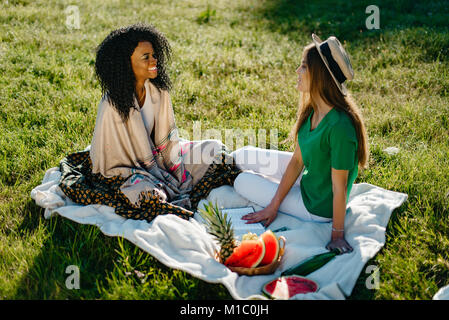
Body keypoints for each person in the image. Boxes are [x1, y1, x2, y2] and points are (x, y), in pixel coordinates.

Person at [58, 23, 241, 222]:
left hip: (160, 159)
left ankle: (169, 183)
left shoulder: (159, 91)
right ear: (126, 64)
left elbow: (167, 142)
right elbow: (112, 161)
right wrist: (151, 171)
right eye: (146, 57)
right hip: (124, 170)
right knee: (148, 195)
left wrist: (163, 166)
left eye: (154, 55)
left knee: (213, 151)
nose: (154, 60)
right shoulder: (112, 104)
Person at [234, 34, 369, 254]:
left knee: (241, 181)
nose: (297, 71)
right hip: (309, 177)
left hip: (316, 207)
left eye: (304, 67)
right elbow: (297, 161)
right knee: (242, 155)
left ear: (320, 75)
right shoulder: (313, 110)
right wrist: (275, 203)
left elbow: (339, 187)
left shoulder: (340, 128)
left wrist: (336, 235)